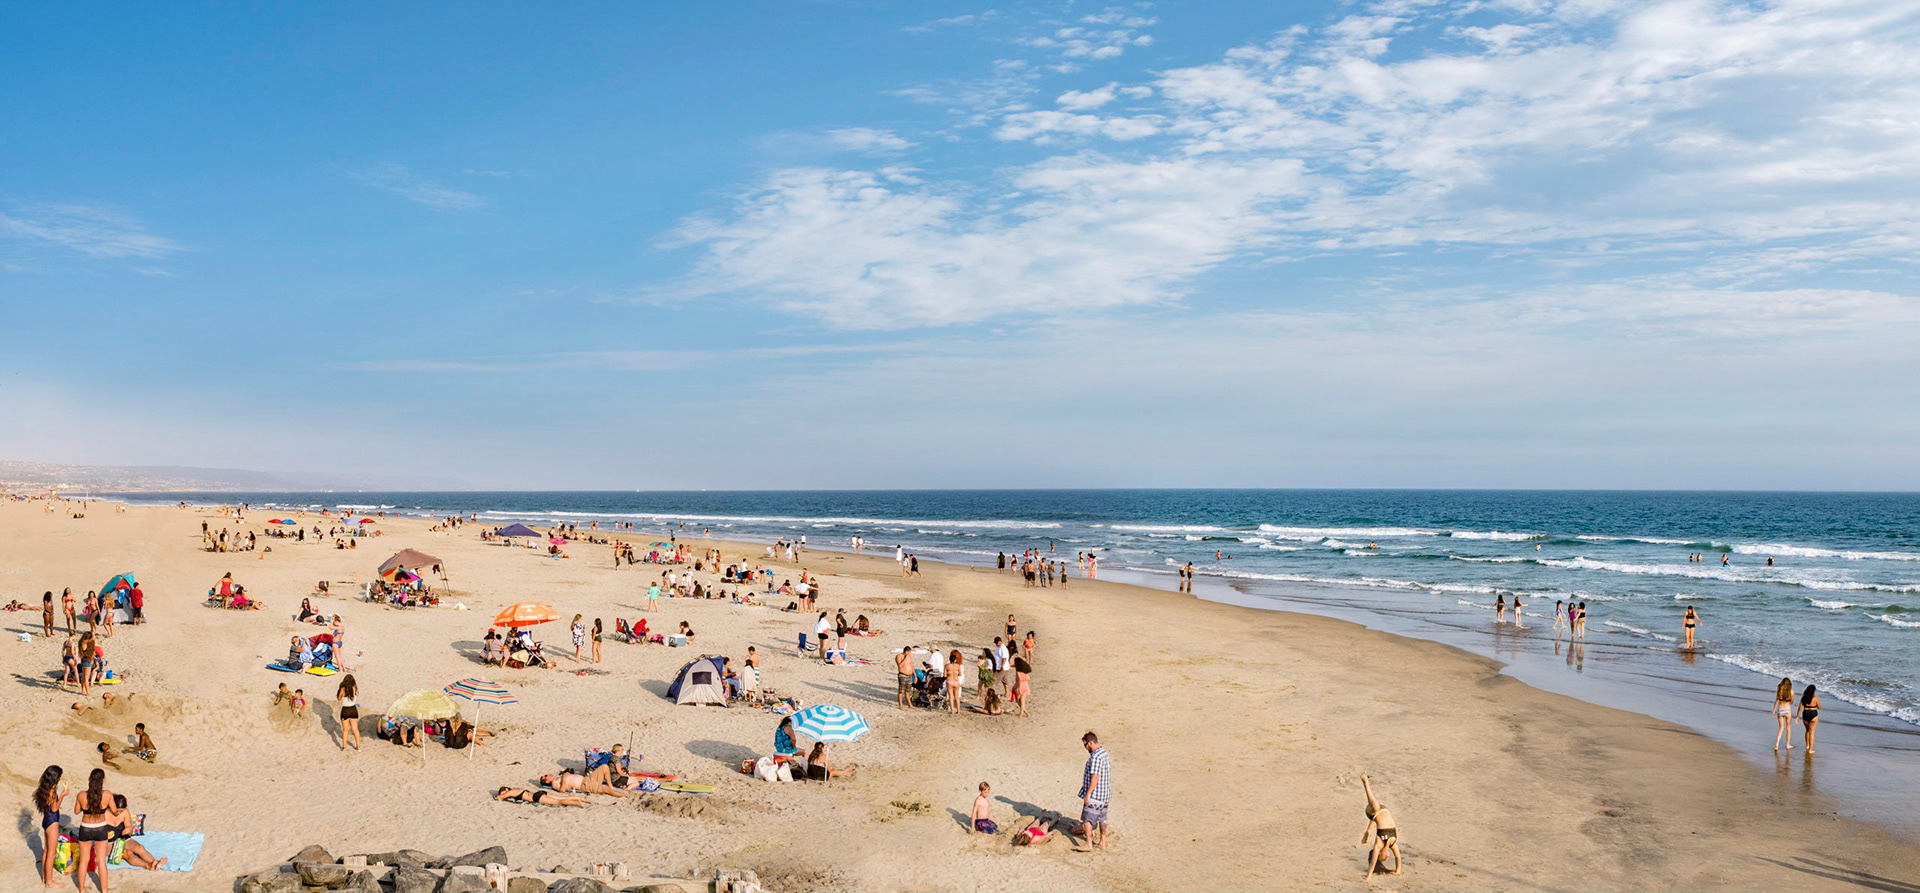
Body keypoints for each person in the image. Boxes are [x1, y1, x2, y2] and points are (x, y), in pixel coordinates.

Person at [74, 768, 116, 893]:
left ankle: (81, 888)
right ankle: (104, 889)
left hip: (86, 828)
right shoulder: (107, 794)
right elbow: (114, 810)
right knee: (101, 861)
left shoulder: (82, 795)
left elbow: (76, 811)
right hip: (100, 828)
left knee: (83, 860)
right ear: (102, 780)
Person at [105, 794, 168, 869]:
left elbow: (130, 829)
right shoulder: (103, 814)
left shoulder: (125, 812)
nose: (118, 813)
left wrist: (128, 829)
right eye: (117, 811)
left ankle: (155, 863)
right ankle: (147, 865)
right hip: (107, 843)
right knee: (127, 853)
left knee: (140, 848)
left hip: (123, 838)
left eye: (121, 811)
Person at [1074, 731, 1112, 851]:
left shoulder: (1096, 757)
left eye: (1085, 745)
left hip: (1095, 795)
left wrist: (1088, 794)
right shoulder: (1104, 754)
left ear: (1090, 743)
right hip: (1105, 795)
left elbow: (1095, 777)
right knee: (1102, 819)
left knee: (1087, 820)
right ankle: (1102, 843)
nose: (1085, 748)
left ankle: (1089, 844)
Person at [1359, 773, 1402, 878]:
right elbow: (1397, 857)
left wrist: (1368, 876)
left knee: (1375, 808)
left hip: (1373, 812)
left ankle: (1365, 783)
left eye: (1383, 859)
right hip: (1381, 810)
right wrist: (1397, 871)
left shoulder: (1378, 844)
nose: (1387, 858)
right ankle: (1368, 830)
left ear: (1379, 854)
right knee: (1376, 812)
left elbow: (1373, 861)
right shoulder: (1392, 843)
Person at [35, 764, 66, 888]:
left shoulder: (43, 788)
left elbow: (34, 794)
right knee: (51, 853)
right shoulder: (52, 791)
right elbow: (54, 808)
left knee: (46, 850)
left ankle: (45, 877)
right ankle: (49, 882)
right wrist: (62, 795)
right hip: (52, 822)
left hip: (46, 821)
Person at [496, 786, 589, 807]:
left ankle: (577, 803)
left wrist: (500, 795)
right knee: (561, 798)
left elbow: (498, 797)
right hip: (539, 793)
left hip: (536, 797)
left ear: (506, 789)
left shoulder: (511, 792)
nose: (503, 794)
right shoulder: (517, 789)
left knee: (558, 802)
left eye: (503, 792)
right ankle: (582, 799)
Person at [337, 675, 362, 751]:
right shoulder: (355, 688)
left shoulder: (343, 689)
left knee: (345, 730)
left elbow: (339, 698)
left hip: (345, 710)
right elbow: (357, 694)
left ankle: (344, 747)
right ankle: (358, 746)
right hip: (353, 709)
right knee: (355, 729)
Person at [1772, 677, 1795, 751]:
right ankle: (1788, 744)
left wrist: (1774, 710)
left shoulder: (1780, 691)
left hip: (1780, 710)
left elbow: (1776, 701)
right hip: (1787, 710)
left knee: (1781, 728)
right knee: (1788, 728)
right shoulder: (1791, 692)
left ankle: (1777, 744)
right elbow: (1791, 702)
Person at [1799, 684, 1821, 755]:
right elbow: (1819, 707)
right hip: (1813, 714)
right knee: (1812, 733)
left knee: (1807, 731)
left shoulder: (1803, 698)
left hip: (1805, 714)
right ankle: (1810, 749)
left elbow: (1799, 708)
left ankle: (1807, 746)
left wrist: (1797, 717)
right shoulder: (1815, 698)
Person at [945, 649, 964, 715]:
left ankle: (952, 710)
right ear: (955, 660)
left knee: (951, 697)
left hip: (949, 681)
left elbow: (944, 675)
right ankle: (958, 710)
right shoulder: (958, 666)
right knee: (957, 697)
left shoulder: (947, 666)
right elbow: (960, 674)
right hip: (956, 681)